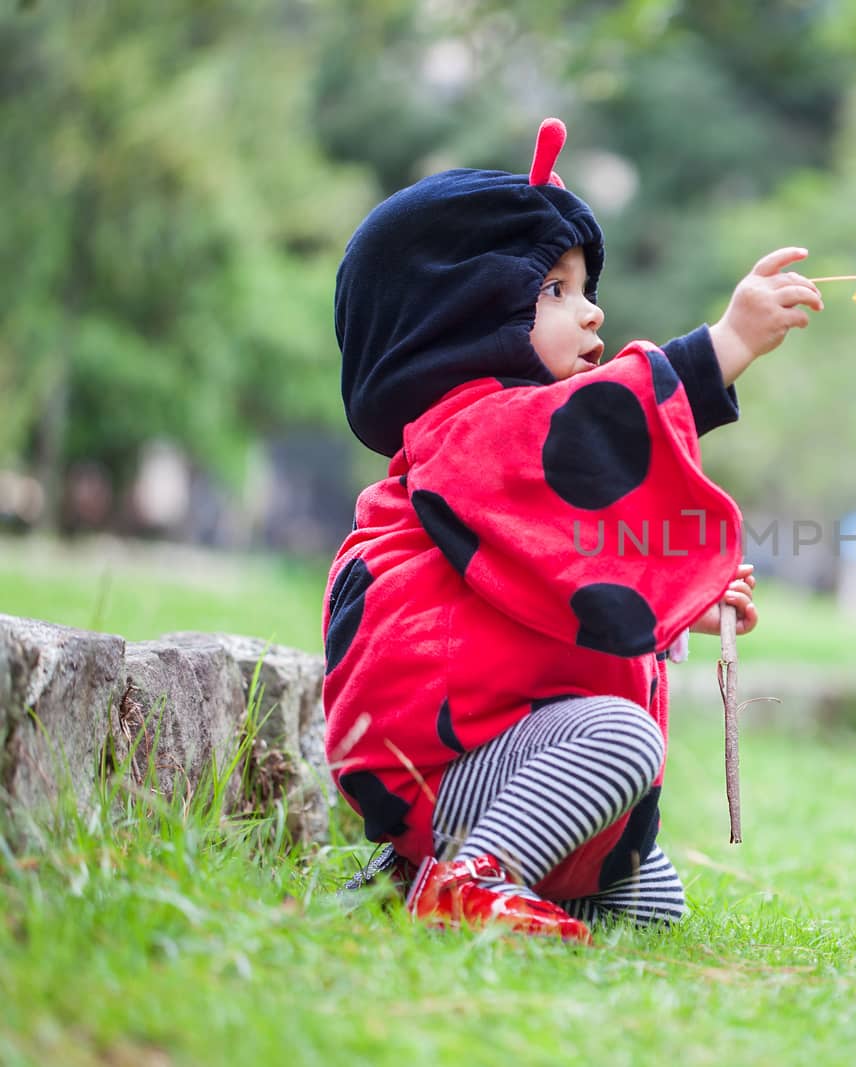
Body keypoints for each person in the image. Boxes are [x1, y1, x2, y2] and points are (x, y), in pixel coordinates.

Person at [323, 118, 822, 942]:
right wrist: (724, 345)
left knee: (651, 897)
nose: (591, 314)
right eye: (553, 289)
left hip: (498, 753)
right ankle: (464, 876)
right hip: (445, 754)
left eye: (586, 287)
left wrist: (675, 601)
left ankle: (419, 873)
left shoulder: (499, 457)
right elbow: (594, 433)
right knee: (619, 737)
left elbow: (549, 572)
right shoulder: (473, 432)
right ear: (461, 312)